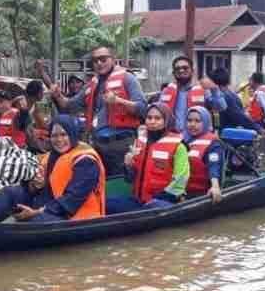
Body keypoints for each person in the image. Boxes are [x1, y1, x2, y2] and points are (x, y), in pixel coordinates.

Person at [0, 115, 105, 222]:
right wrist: (34, 186)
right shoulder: (50, 156)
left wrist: (35, 212)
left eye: (64, 134)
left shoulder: (86, 161)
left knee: (37, 220)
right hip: (49, 206)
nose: (59, 140)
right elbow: (34, 189)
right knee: (11, 192)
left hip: (74, 215)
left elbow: (71, 200)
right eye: (54, 135)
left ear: (72, 135)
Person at [50, 46, 146, 177]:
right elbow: (69, 106)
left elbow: (143, 108)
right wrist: (57, 95)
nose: (99, 63)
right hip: (97, 144)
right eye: (95, 61)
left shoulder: (127, 78)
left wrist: (119, 101)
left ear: (113, 59)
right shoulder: (91, 84)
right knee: (99, 182)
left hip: (122, 144)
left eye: (103, 59)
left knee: (120, 185)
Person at [106, 103, 190, 213]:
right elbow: (130, 179)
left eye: (157, 118)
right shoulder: (140, 141)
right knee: (106, 203)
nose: (152, 121)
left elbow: (180, 180)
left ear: (166, 121)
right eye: (149, 118)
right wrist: (127, 165)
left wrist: (161, 198)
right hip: (139, 200)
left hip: (164, 202)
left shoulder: (179, 146)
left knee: (151, 206)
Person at [158, 56, 226, 135]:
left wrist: (214, 88)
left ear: (192, 71)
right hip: (172, 136)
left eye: (185, 68)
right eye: (177, 68)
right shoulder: (166, 91)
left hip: (197, 136)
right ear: (173, 73)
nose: (181, 70)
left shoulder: (203, 90)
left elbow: (221, 107)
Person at [184, 106, 224, 203]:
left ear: (206, 122)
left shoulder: (213, 144)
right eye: (189, 120)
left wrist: (215, 186)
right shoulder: (183, 139)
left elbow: (214, 166)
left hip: (200, 192)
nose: (192, 124)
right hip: (181, 191)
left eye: (198, 121)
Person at [209, 67, 264, 132]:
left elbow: (240, 117)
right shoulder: (230, 94)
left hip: (226, 134)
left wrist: (258, 129)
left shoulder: (225, 96)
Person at [24, 79, 52, 154]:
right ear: (39, 93)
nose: (44, 93)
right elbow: (44, 125)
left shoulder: (36, 105)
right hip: (29, 142)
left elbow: (43, 123)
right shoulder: (24, 104)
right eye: (42, 91)